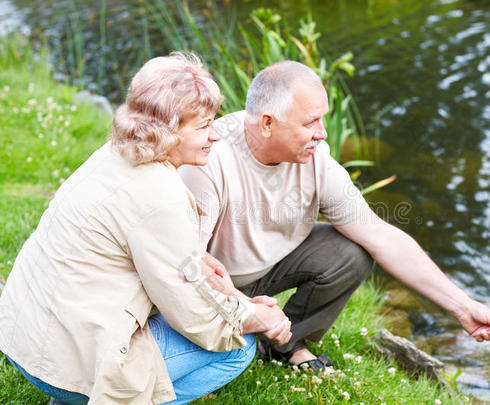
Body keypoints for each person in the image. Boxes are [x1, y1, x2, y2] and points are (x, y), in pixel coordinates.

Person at [0, 52, 291, 405]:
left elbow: (155, 257)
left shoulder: (114, 153)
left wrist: (229, 292)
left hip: (24, 338)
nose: (215, 136)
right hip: (60, 359)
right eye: (202, 126)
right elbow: (194, 315)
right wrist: (258, 316)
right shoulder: (160, 195)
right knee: (239, 347)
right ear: (166, 131)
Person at [178, 60, 490, 371]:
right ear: (267, 124)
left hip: (263, 273)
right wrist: (248, 310)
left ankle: (285, 345)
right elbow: (187, 267)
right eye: (310, 122)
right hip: (212, 286)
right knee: (213, 347)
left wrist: (463, 307)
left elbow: (380, 236)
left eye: (323, 119)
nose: (322, 133)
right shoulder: (209, 160)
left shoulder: (315, 157)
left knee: (351, 251)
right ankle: (223, 343)